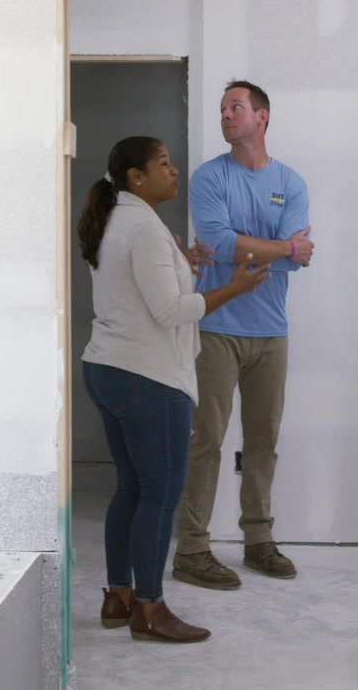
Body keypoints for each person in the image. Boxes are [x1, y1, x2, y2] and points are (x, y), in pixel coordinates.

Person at [77, 135, 269, 642]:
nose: (174, 170)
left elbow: (136, 286)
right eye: (163, 164)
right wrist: (235, 288)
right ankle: (150, 608)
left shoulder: (120, 219)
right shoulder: (143, 227)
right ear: (136, 177)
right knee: (160, 496)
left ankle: (119, 597)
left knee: (132, 489)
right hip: (147, 378)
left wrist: (181, 264)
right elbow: (170, 312)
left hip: (108, 369)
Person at [172, 81, 315, 590]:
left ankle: (258, 541)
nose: (227, 115)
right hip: (217, 327)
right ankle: (192, 549)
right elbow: (221, 244)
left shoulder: (290, 183)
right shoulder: (210, 177)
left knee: (263, 442)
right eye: (222, 109)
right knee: (206, 440)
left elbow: (296, 259)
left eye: (236, 107)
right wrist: (283, 248)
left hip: (271, 332)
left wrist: (267, 251)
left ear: (262, 116)